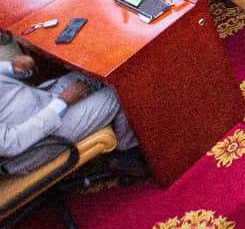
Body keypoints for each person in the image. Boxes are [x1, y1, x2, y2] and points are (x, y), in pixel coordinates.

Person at [0, 51, 141, 177]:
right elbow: (10, 144)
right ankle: (127, 155)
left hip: (44, 104)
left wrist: (13, 68)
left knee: (97, 66)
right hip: (38, 141)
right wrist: (63, 101)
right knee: (119, 89)